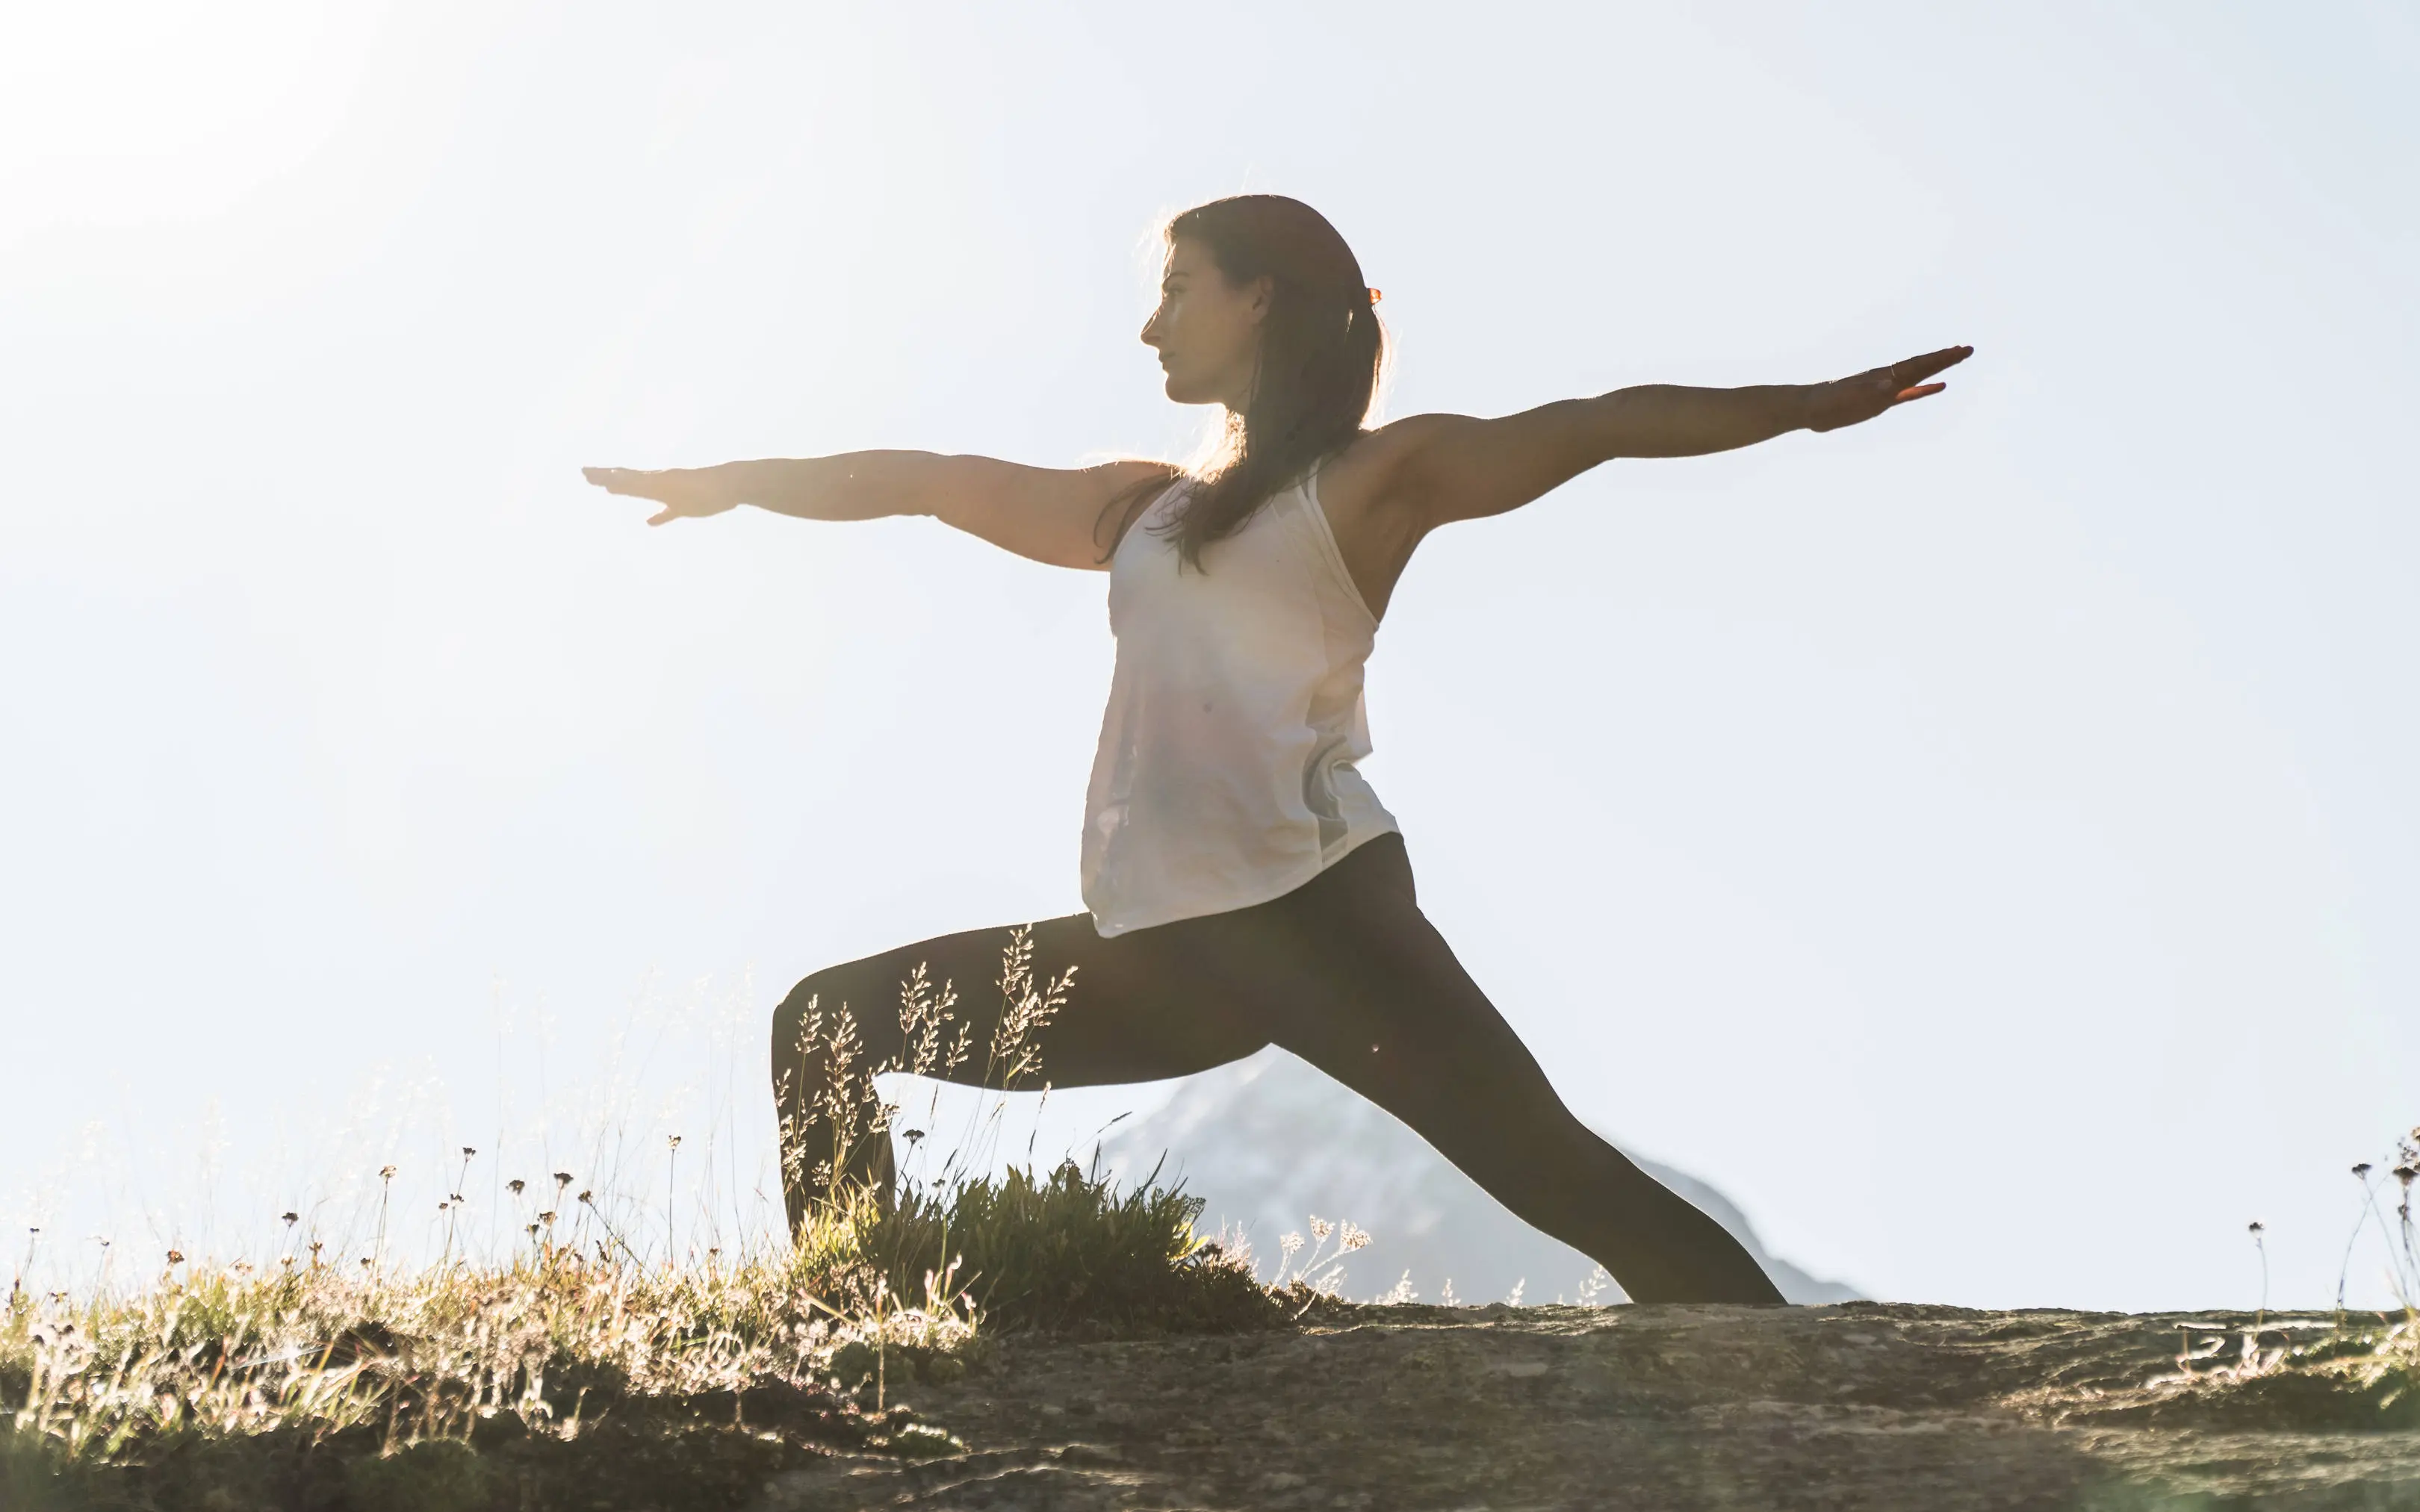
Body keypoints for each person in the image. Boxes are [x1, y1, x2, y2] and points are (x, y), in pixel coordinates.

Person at [586, 194, 1969, 1304]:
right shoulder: (1140, 510)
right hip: (1166, 950)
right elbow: (923, 484)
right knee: (822, 1027)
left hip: (1320, 926)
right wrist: (725, 488)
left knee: (1563, 1182)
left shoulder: (1364, 486)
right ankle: (873, 1337)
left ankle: (1820, 1402)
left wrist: (1805, 404)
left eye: (1177, 288)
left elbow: (1592, 431)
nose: (1149, 326)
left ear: (1261, 299)